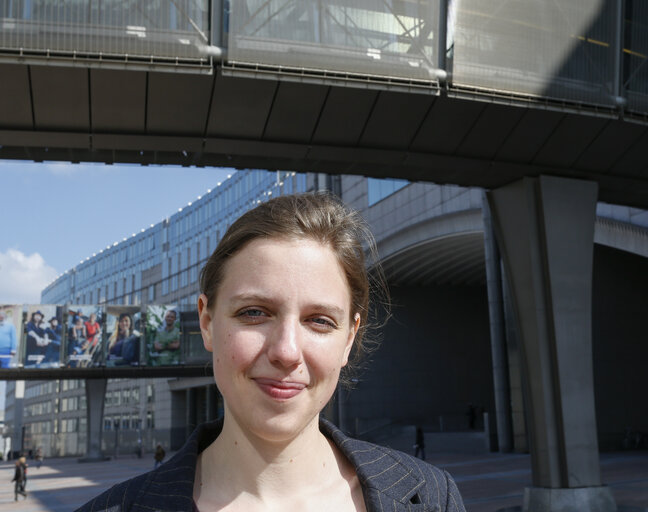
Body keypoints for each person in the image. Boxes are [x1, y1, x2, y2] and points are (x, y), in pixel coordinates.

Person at [75, 193, 466, 511]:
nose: (286, 351)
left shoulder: (432, 498)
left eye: (320, 321)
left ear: (349, 338)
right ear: (208, 322)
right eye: (254, 313)